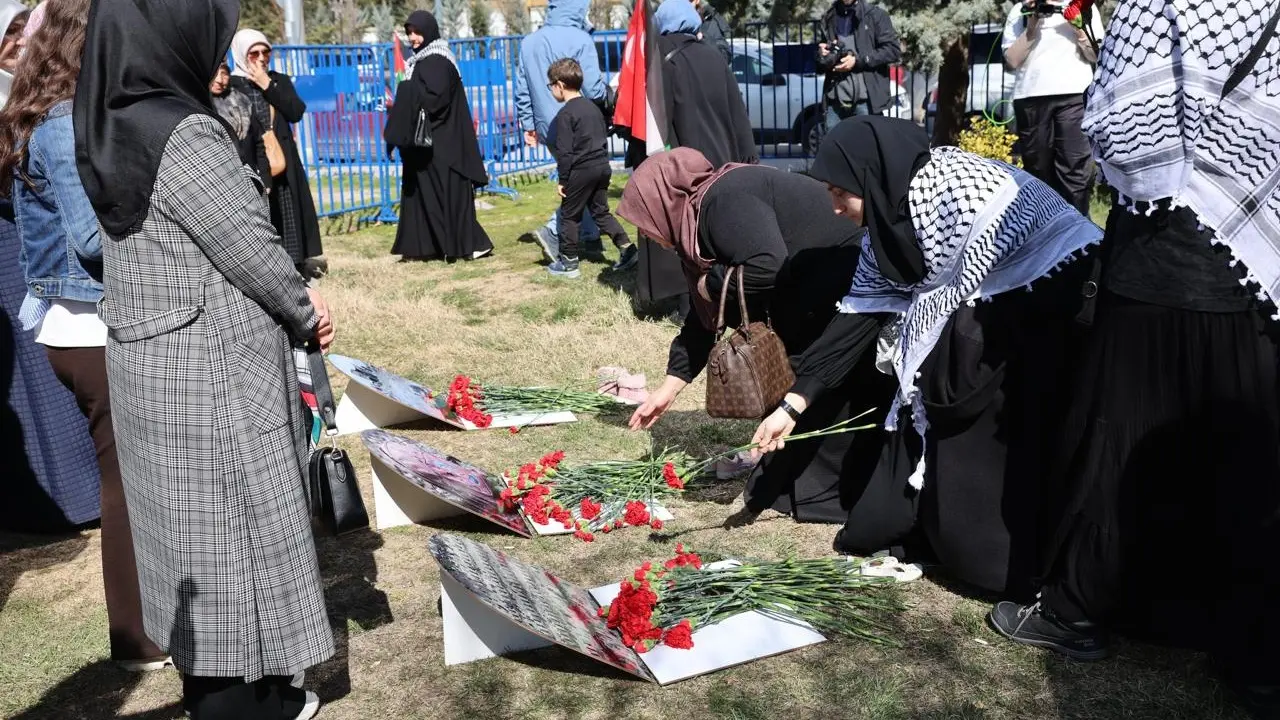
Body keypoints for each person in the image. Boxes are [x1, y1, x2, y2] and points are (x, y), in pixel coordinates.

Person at [989, 1, 1280, 714]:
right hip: (1253, 265)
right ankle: (1255, 653)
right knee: (1246, 460)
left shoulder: (1159, 5)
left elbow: (1118, 134)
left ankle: (1076, 612)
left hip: (1156, 264)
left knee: (1115, 447)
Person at [74, 0, 337, 715]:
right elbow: (248, 245)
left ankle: (241, 690)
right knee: (230, 546)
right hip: (209, 367)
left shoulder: (105, 117)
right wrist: (306, 310)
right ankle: (242, 704)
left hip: (152, 359)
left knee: (191, 547)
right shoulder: (183, 130)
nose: (216, 54)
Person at [748, 117, 1102, 597]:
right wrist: (792, 406)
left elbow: (957, 299)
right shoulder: (886, 222)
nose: (834, 208)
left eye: (841, 193)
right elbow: (861, 316)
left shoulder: (958, 189)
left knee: (950, 389)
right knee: (874, 519)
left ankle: (990, 551)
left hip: (1052, 298)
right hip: (988, 317)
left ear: (872, 178)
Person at [0, 0, 171, 671]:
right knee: (126, 486)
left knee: (130, 480)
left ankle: (147, 627)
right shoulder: (66, 122)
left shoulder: (52, 117)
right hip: (91, 327)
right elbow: (93, 239)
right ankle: (137, 638)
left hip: (80, 324)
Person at [618, 148, 896, 523]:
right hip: (814, 286)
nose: (648, 234)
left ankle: (834, 493)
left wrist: (710, 283)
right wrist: (669, 389)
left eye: (645, 219)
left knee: (820, 393)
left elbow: (765, 266)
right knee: (789, 431)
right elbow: (706, 316)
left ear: (664, 201)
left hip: (846, 280)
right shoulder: (700, 219)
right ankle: (799, 489)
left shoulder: (720, 203)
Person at [0, 0, 102, 534]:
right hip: (57, 287)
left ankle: (75, 499)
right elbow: (90, 235)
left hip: (50, 280)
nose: (17, 43)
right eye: (8, 33)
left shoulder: (37, 105)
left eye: (24, 32)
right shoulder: (57, 117)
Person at [630, 0, 758, 322]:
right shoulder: (713, 55)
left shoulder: (662, 58)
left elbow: (657, 119)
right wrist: (747, 160)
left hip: (686, 165)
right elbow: (738, 113)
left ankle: (690, 306)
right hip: (722, 160)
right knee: (720, 231)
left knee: (688, 235)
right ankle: (727, 295)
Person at [384, 10, 493, 262]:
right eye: (409, 32)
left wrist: (406, 90)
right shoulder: (423, 60)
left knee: (447, 196)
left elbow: (436, 100)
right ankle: (427, 247)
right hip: (429, 146)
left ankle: (470, 245)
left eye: (417, 32)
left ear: (430, 31)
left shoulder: (436, 60)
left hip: (444, 145)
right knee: (425, 196)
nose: (413, 37)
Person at [514, 0, 608, 264]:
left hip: (548, 125)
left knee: (579, 179)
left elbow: (522, 88)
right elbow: (594, 88)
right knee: (582, 183)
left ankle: (589, 235)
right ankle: (553, 230)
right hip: (580, 123)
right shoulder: (580, 38)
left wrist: (529, 124)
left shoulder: (529, 42)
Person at [228, 28, 324, 277]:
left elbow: (295, 112)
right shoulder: (233, 84)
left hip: (282, 156)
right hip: (252, 159)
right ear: (241, 54)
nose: (261, 58)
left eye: (266, 52)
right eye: (254, 53)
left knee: (288, 208)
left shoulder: (277, 80)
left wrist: (267, 85)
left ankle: (296, 264)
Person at [1001, 0, 1103, 214]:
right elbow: (1011, 62)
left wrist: (1078, 28)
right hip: (1031, 99)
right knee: (1038, 172)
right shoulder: (1022, 11)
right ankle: (1044, 226)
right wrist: (1032, 26)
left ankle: (1078, 227)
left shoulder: (1082, 6)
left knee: (1075, 172)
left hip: (1074, 95)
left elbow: (1096, 55)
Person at [545, 58, 633, 278]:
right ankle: (627, 248)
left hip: (581, 170)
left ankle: (568, 262)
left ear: (560, 85)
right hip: (601, 166)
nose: (551, 90)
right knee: (600, 212)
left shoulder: (566, 114)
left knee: (569, 214)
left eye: (551, 85)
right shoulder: (593, 108)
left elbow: (565, 152)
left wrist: (563, 180)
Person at [816, 0, 901, 129]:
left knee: (866, 141)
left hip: (866, 101)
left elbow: (892, 50)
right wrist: (822, 54)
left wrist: (857, 61)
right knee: (833, 142)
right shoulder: (829, 16)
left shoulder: (875, 15)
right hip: (835, 99)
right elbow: (821, 62)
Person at [210, 61, 270, 191]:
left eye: (224, 74)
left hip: (249, 175)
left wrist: (266, 178)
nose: (219, 80)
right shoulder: (202, 106)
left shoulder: (243, 101)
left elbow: (258, 141)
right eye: (214, 74)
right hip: (220, 181)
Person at [691, 0, 731, 64]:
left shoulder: (711, 22)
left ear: (697, 1)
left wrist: (704, 39)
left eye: (690, 1)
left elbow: (724, 58)